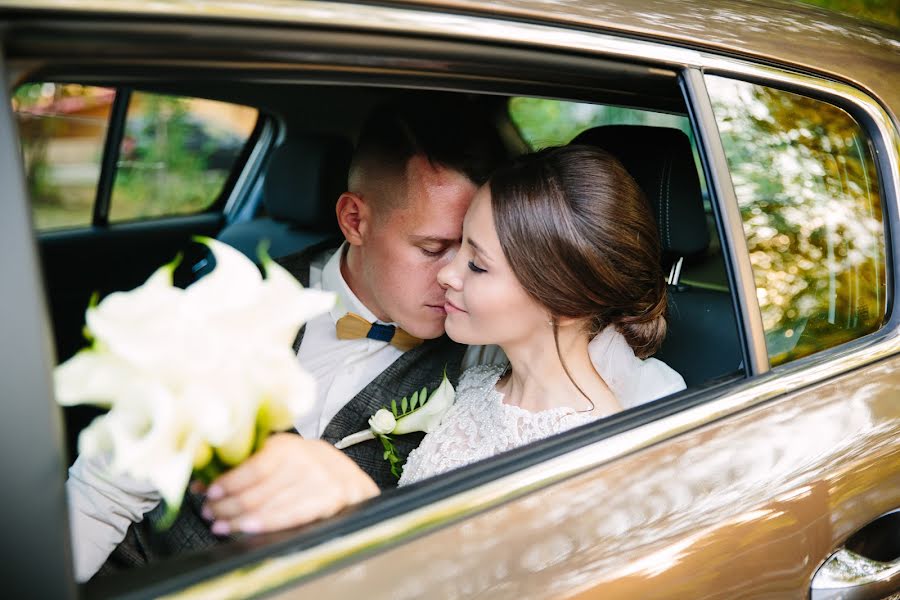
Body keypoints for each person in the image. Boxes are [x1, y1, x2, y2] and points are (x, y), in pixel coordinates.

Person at [67, 93, 507, 581]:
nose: (456, 278)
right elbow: (101, 496)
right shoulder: (228, 303)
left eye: (473, 253)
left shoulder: (486, 347)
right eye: (433, 248)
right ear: (354, 220)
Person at [209, 145, 686, 521]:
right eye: (440, 248)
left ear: (564, 300)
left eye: (475, 263)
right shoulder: (480, 380)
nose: (447, 275)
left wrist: (360, 504)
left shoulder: (589, 454)